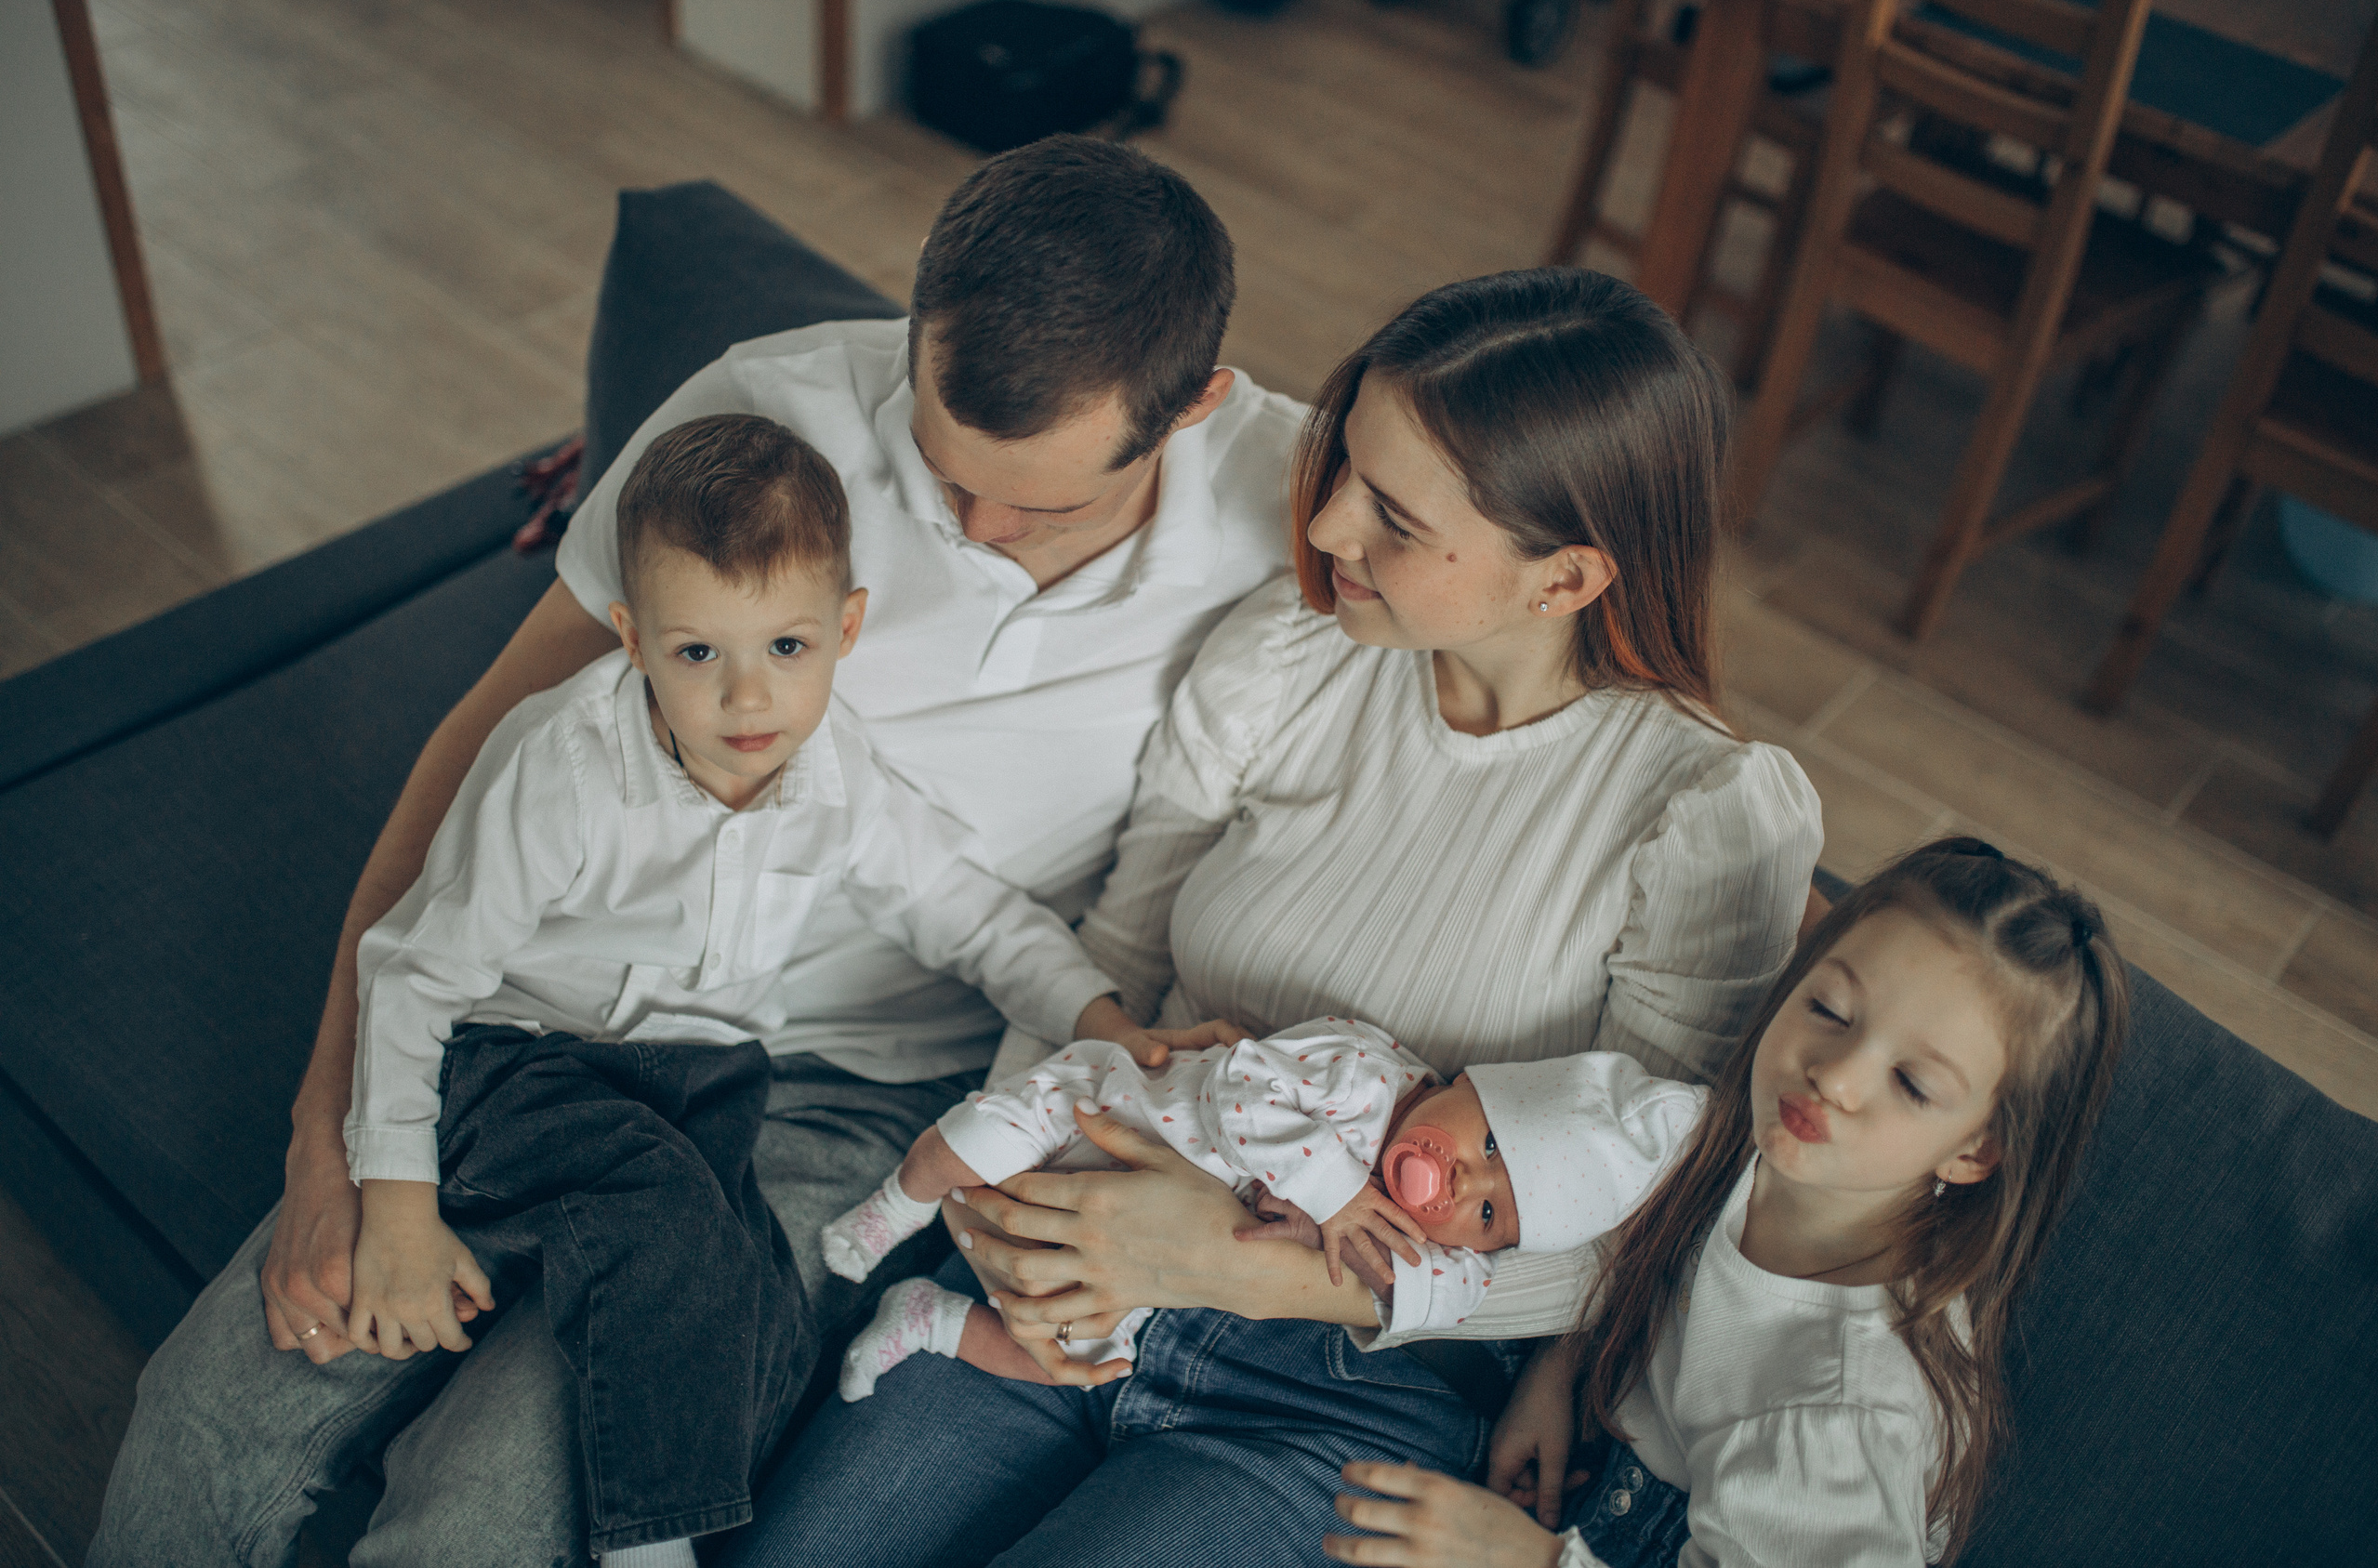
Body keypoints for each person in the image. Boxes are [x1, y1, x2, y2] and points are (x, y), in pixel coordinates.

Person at [89, 134, 1298, 1568]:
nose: (975, 528)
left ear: (1194, 408)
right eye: (939, 464)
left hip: (844, 1095)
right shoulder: (764, 419)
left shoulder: (1297, 509)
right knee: (212, 1406)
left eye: (1042, 504)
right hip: (549, 1023)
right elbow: (489, 742)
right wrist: (329, 1134)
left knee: (498, 1498)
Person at [723, 267, 1826, 1568]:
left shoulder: (1705, 815)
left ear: (1564, 577)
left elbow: (1642, 1228)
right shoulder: (1294, 651)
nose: (1330, 524)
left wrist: (1241, 1266)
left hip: (1344, 1386)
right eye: (1344, 464)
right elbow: (1117, 962)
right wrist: (995, 1194)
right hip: (1077, 1242)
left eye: (1395, 517)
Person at [342, 412, 1209, 1564]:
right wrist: (396, 1202)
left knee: (757, 1302)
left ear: (845, 628)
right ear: (633, 638)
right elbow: (414, 972)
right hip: (519, 1059)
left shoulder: (835, 770)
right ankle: (649, 1548)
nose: (749, 701)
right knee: (658, 1206)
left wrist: (1095, 1014)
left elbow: (963, 908)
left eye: (787, 648)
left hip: (704, 1083)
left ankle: (696, 1448)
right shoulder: (561, 769)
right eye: (699, 654)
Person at [1317, 838, 2131, 1568]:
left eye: (1911, 1083)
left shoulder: (1839, 1414)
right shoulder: (1764, 1149)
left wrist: (1527, 1559)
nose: (1833, 1076)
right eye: (1829, 1009)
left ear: (1975, 1150)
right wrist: (1561, 1367)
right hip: (1593, 1450)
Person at [826, 1019, 1702, 1399]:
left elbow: (1456, 1291)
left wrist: (1402, 1265)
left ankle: (931, 1320)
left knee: (1081, 1355)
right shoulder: (1366, 1073)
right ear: (1467, 1081)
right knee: (975, 1141)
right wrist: (1335, 1195)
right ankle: (894, 1208)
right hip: (1096, 1111)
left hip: (1140, 1259)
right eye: (1492, 1143)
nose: (1461, 1181)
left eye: (1486, 1216)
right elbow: (1243, 1083)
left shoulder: (1414, 1229)